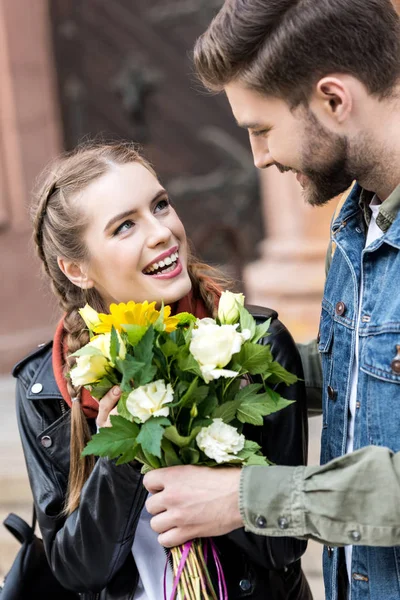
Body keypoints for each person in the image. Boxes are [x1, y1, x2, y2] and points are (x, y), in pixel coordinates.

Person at [143, 1, 400, 599]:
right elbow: (364, 369)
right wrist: (190, 371)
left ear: (333, 100)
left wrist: (241, 497)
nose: (258, 157)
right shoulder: (359, 219)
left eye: (261, 129)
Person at [13, 142, 312, 599]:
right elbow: (75, 571)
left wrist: (214, 481)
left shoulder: (255, 341)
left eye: (161, 205)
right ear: (77, 270)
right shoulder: (46, 385)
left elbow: (285, 544)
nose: (162, 232)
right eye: (125, 226)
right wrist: (120, 457)